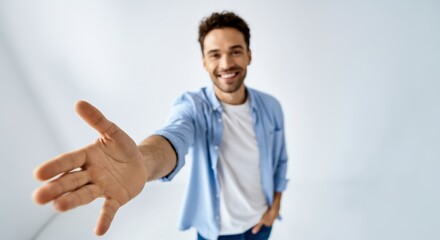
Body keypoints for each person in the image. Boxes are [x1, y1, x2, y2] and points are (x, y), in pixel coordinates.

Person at [33, 11, 288, 240]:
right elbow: (173, 136)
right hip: (217, 232)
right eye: (215, 54)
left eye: (235, 51)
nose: (226, 64)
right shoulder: (193, 106)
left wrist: (275, 206)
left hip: (261, 223)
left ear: (249, 54)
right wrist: (143, 162)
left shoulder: (271, 106)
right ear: (204, 62)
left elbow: (280, 161)